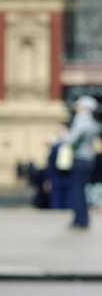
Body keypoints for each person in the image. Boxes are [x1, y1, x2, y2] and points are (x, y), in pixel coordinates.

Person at [63, 95, 102, 229]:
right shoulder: (94, 122)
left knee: (77, 190)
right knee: (83, 189)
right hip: (89, 159)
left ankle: (80, 219)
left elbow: (71, 140)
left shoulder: (81, 120)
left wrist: (63, 134)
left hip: (80, 158)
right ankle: (83, 218)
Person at [43, 123, 72, 211]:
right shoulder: (55, 148)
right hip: (56, 180)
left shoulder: (72, 147)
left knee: (68, 206)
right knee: (56, 207)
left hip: (69, 180)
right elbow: (50, 166)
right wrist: (48, 180)